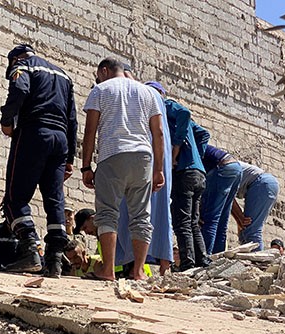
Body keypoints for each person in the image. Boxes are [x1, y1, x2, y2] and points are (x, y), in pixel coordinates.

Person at [80, 58, 165, 281]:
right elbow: (158, 133)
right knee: (141, 216)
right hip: (143, 157)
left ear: (105, 71)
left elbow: (90, 131)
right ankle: (138, 271)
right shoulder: (147, 93)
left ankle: (108, 270)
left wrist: (86, 166)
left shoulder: (100, 90)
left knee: (108, 212)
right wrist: (158, 169)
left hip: (113, 154)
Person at [0, 44, 78, 276]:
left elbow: (20, 90)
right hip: (60, 140)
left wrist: (7, 120)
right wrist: (70, 157)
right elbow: (72, 119)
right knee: (55, 200)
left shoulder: (22, 67)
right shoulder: (64, 76)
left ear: (14, 60)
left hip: (33, 133)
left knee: (15, 197)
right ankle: (54, 261)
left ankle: (30, 250)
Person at [148, 83, 211, 271]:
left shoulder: (165, 106)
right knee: (192, 221)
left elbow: (185, 112)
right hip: (198, 172)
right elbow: (204, 134)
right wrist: (197, 156)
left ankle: (187, 263)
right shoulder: (180, 124)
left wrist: (176, 150)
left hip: (184, 172)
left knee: (181, 221)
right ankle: (202, 260)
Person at [115, 81, 175, 275]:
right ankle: (159, 266)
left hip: (141, 161)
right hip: (156, 166)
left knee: (133, 210)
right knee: (157, 212)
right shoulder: (161, 111)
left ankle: (134, 266)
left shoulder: (147, 101)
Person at [201, 145, 243, 254]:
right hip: (236, 167)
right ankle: (217, 258)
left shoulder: (179, 147)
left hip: (221, 167)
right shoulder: (194, 141)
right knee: (222, 220)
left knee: (210, 219)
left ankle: (205, 259)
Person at [231, 162, 280, 251]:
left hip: (260, 184)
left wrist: (240, 218)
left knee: (251, 232)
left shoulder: (214, 171)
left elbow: (228, 197)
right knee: (245, 232)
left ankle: (256, 262)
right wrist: (240, 220)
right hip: (266, 184)